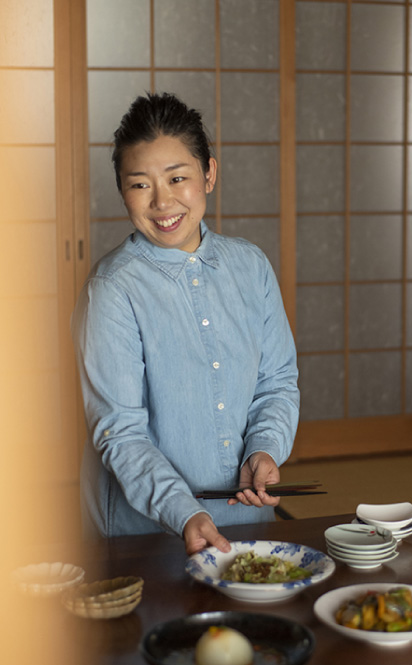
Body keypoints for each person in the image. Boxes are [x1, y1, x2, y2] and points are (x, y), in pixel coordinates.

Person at [71, 92, 299, 555]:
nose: (163, 201)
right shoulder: (112, 288)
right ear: (121, 190)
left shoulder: (250, 267)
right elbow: (120, 431)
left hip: (247, 520)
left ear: (209, 174)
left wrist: (265, 450)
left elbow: (277, 382)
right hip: (147, 532)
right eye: (140, 184)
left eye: (178, 178)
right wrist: (185, 511)